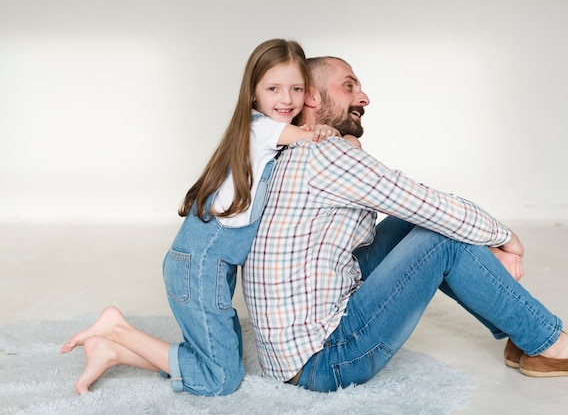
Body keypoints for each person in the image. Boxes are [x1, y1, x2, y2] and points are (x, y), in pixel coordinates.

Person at [241, 56, 568, 392]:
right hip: (323, 363)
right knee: (443, 236)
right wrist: (507, 237)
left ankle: (520, 331)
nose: (364, 98)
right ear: (311, 96)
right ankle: (552, 345)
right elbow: (428, 204)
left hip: (297, 347)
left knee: (409, 224)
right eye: (349, 86)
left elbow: (403, 209)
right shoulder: (328, 156)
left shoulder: (293, 148)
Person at [60, 39, 356, 396]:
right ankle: (119, 331)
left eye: (295, 89)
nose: (287, 99)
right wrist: (329, 131)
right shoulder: (262, 129)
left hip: (211, 267)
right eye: (273, 88)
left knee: (222, 355)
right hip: (200, 267)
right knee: (222, 379)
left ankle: (114, 349)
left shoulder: (261, 134)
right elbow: (310, 138)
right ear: (252, 94)